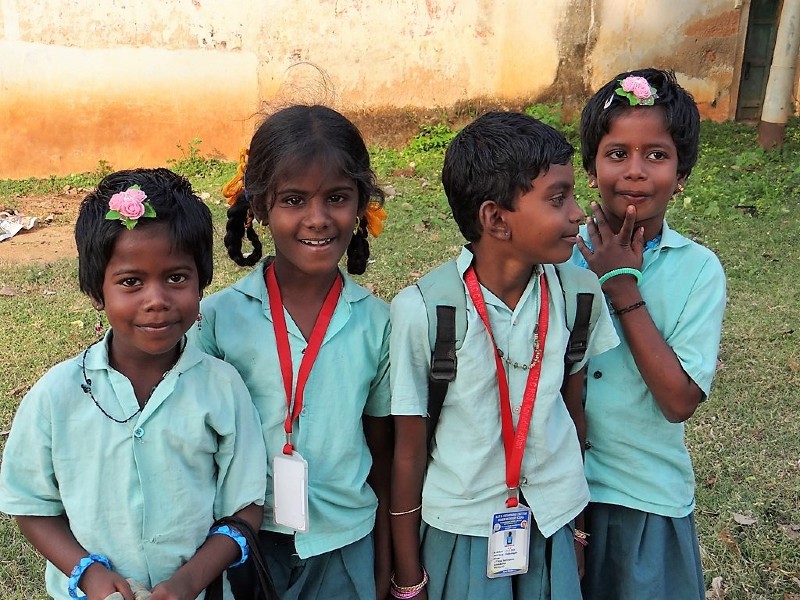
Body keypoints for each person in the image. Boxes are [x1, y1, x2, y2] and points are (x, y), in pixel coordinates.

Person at [0, 168, 267, 600]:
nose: (156, 299)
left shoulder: (222, 388)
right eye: (131, 282)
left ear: (202, 282)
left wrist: (189, 580)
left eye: (177, 278)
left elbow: (246, 506)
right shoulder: (56, 395)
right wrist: (85, 572)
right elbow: (31, 506)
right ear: (96, 292)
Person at [389, 111, 619, 600]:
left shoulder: (579, 295)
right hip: (462, 529)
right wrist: (408, 575)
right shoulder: (425, 309)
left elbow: (574, 417)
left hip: (552, 520)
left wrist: (577, 531)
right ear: (495, 218)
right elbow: (407, 451)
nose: (578, 213)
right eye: (558, 199)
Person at [191, 105, 392, 600]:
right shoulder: (216, 319)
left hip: (346, 543)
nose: (318, 219)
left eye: (338, 198)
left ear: (362, 204)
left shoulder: (379, 322)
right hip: (243, 542)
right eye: (294, 200)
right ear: (258, 207)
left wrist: (388, 563)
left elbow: (384, 447)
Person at [572, 68, 727, 599]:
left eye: (656, 155)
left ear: (682, 173)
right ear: (591, 168)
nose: (635, 172)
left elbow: (679, 399)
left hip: (643, 497)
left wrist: (621, 286)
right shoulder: (554, 257)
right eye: (617, 153)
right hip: (553, 494)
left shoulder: (699, 270)